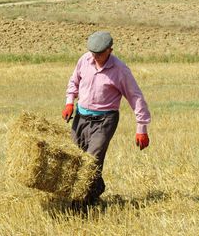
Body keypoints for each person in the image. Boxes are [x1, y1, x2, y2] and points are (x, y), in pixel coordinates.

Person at [62, 31, 151, 212]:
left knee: (91, 161)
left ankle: (79, 206)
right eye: (93, 53)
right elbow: (74, 81)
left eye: (99, 54)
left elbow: (136, 97)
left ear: (110, 50)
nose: (95, 57)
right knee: (75, 158)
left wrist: (141, 128)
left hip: (105, 120)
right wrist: (69, 102)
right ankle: (97, 188)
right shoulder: (84, 60)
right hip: (81, 117)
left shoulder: (120, 70)